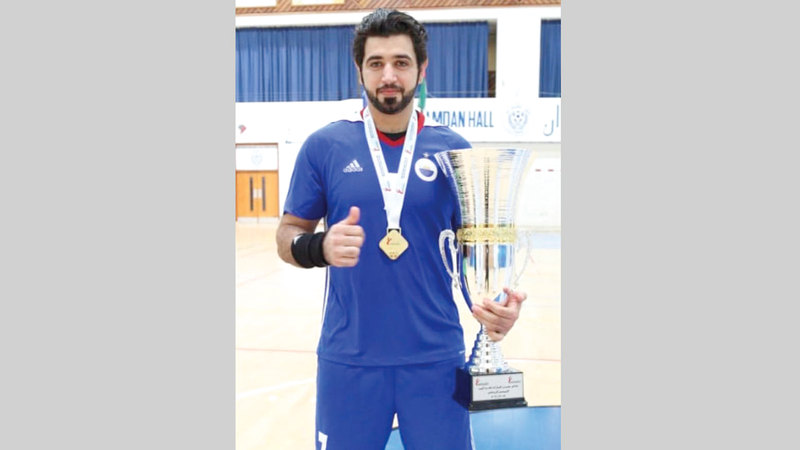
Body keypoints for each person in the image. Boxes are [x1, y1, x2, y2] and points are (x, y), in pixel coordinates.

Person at [276, 8, 527, 450]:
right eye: (376, 63)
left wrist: (496, 307)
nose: (388, 75)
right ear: (359, 70)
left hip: (436, 360)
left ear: (421, 70)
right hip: (349, 361)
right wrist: (319, 246)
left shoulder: (453, 149)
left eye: (401, 62)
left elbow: (473, 252)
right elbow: (287, 234)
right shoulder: (324, 146)